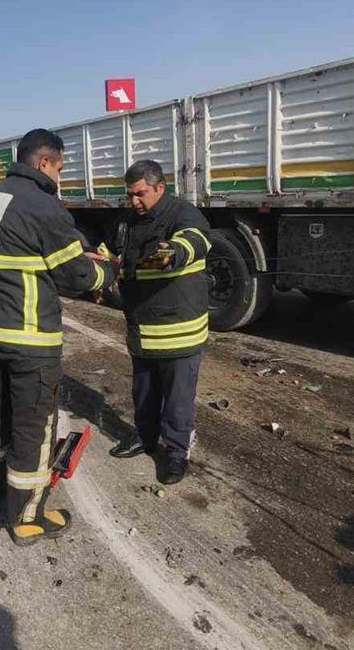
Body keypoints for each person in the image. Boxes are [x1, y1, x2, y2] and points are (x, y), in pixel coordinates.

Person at [0, 128, 117, 546]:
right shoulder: (43, 205)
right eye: (60, 168)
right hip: (29, 340)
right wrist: (108, 270)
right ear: (45, 162)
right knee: (34, 429)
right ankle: (27, 518)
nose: (60, 177)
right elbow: (78, 274)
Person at [104, 159, 212, 485]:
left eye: (141, 194)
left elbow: (193, 242)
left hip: (178, 331)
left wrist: (167, 254)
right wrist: (97, 263)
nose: (134, 201)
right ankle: (145, 437)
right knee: (144, 392)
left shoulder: (183, 214)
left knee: (178, 400)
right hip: (141, 329)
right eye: (130, 195)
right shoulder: (126, 220)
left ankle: (176, 451)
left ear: (160, 188)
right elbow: (108, 251)